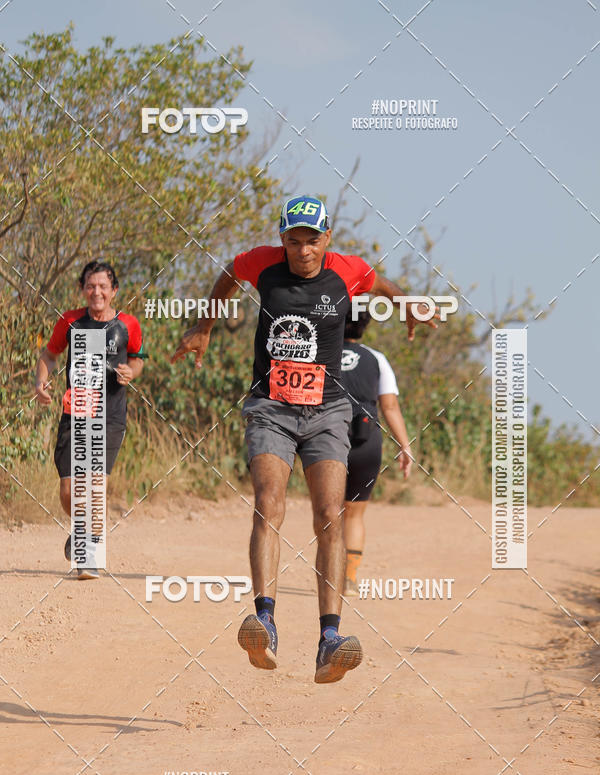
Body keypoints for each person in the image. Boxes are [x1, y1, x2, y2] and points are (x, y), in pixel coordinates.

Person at [172, 195, 437, 683]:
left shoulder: (346, 270)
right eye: (293, 242)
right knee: (268, 503)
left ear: (326, 238)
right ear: (282, 240)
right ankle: (265, 623)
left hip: (328, 411)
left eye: (312, 241)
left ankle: (329, 639)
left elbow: (382, 283)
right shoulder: (263, 264)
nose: (303, 251)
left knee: (330, 514)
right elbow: (229, 273)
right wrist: (204, 326)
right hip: (270, 407)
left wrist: (408, 306)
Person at [35, 260, 146, 579]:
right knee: (69, 489)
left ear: (114, 291)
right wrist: (41, 381)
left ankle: (88, 556)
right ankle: (81, 528)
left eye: (103, 286)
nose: (96, 292)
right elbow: (49, 355)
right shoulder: (70, 321)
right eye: (90, 286)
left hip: (110, 415)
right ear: (83, 289)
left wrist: (130, 371)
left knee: (95, 484)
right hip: (75, 412)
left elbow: (137, 359)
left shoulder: (128, 324)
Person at [341, 309, 412, 596]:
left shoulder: (320, 353)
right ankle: (349, 578)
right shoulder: (377, 359)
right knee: (354, 514)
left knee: (328, 512)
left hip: (326, 440)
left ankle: (328, 575)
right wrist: (404, 445)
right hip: (366, 442)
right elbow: (390, 407)